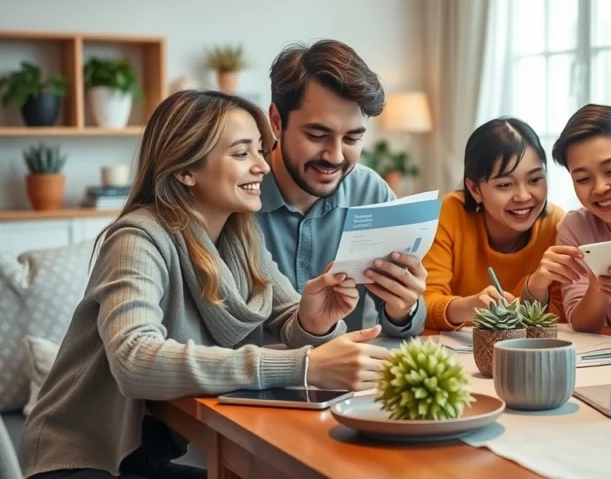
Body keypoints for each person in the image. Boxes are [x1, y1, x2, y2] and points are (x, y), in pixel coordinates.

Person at [20, 91, 391, 479]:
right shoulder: (137, 239)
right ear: (186, 170)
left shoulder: (241, 238)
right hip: (79, 462)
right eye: (242, 153)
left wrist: (313, 320)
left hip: (144, 460)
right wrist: (302, 366)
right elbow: (134, 358)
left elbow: (287, 317)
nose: (263, 166)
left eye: (260, 150)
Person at [256, 40, 425, 338]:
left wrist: (403, 307)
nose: (334, 156)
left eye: (352, 139)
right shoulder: (236, 197)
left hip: (352, 367)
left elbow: (401, 327)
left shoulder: (370, 194)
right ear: (277, 121)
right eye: (317, 135)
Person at [521, 104, 611, 333]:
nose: (599, 188)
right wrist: (597, 286)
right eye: (582, 179)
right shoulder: (575, 227)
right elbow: (582, 324)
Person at [423, 118, 565, 330]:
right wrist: (468, 306)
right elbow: (422, 304)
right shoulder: (449, 214)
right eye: (505, 184)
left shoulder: (557, 224)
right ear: (475, 189)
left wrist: (534, 290)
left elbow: (561, 315)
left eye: (535, 180)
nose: (523, 196)